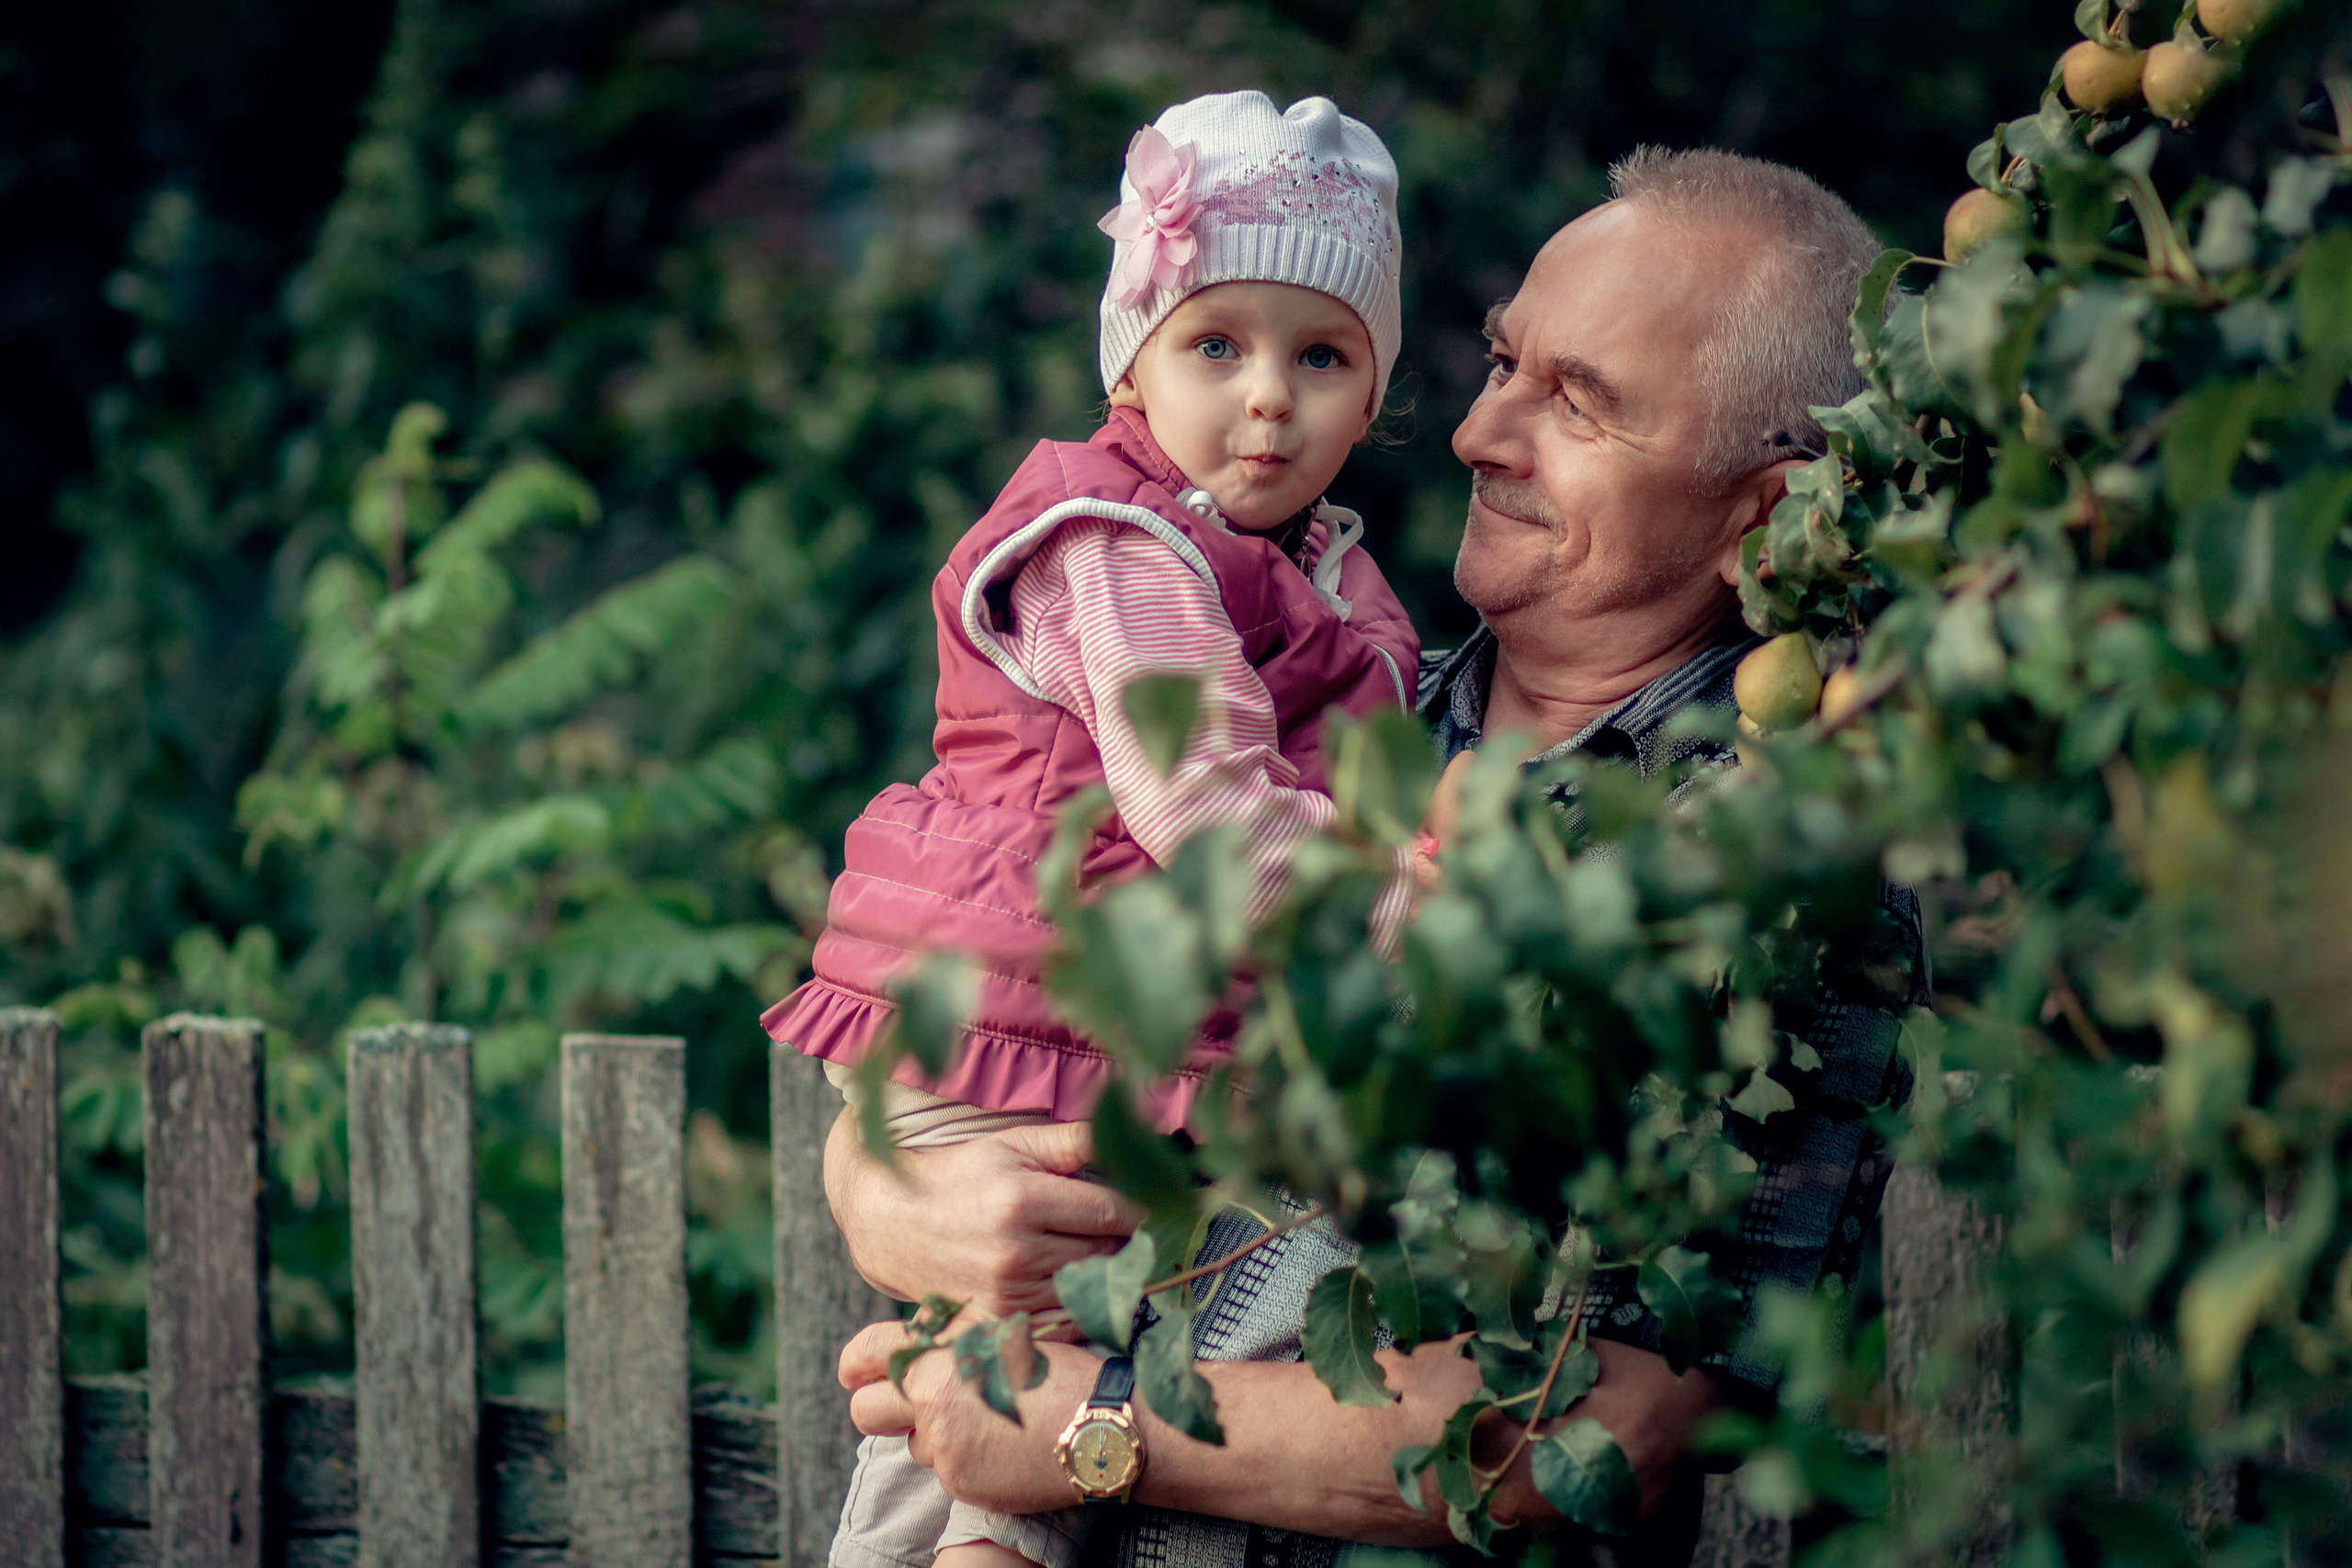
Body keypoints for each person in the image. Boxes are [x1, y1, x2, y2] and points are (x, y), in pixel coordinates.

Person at [828, 147, 1925, 1568]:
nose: (1479, 434)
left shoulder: (1763, 882)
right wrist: (893, 1188)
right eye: (1504, 364)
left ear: (1761, 513)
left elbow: (1605, 1429)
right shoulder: (1320, 716)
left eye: (1580, 402)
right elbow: (1012, 999)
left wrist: (1082, 1430)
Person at [761, 90, 1421, 1568]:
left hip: (1096, 1026)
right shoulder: (1122, 549)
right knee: (1002, 1414)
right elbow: (1205, 799)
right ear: (1132, 361)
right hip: (1016, 1031)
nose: (1269, 397)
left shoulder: (1321, 574)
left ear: (1377, 393)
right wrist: (1404, 918)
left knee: (1007, 1420)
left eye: (1321, 355)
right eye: (1217, 344)